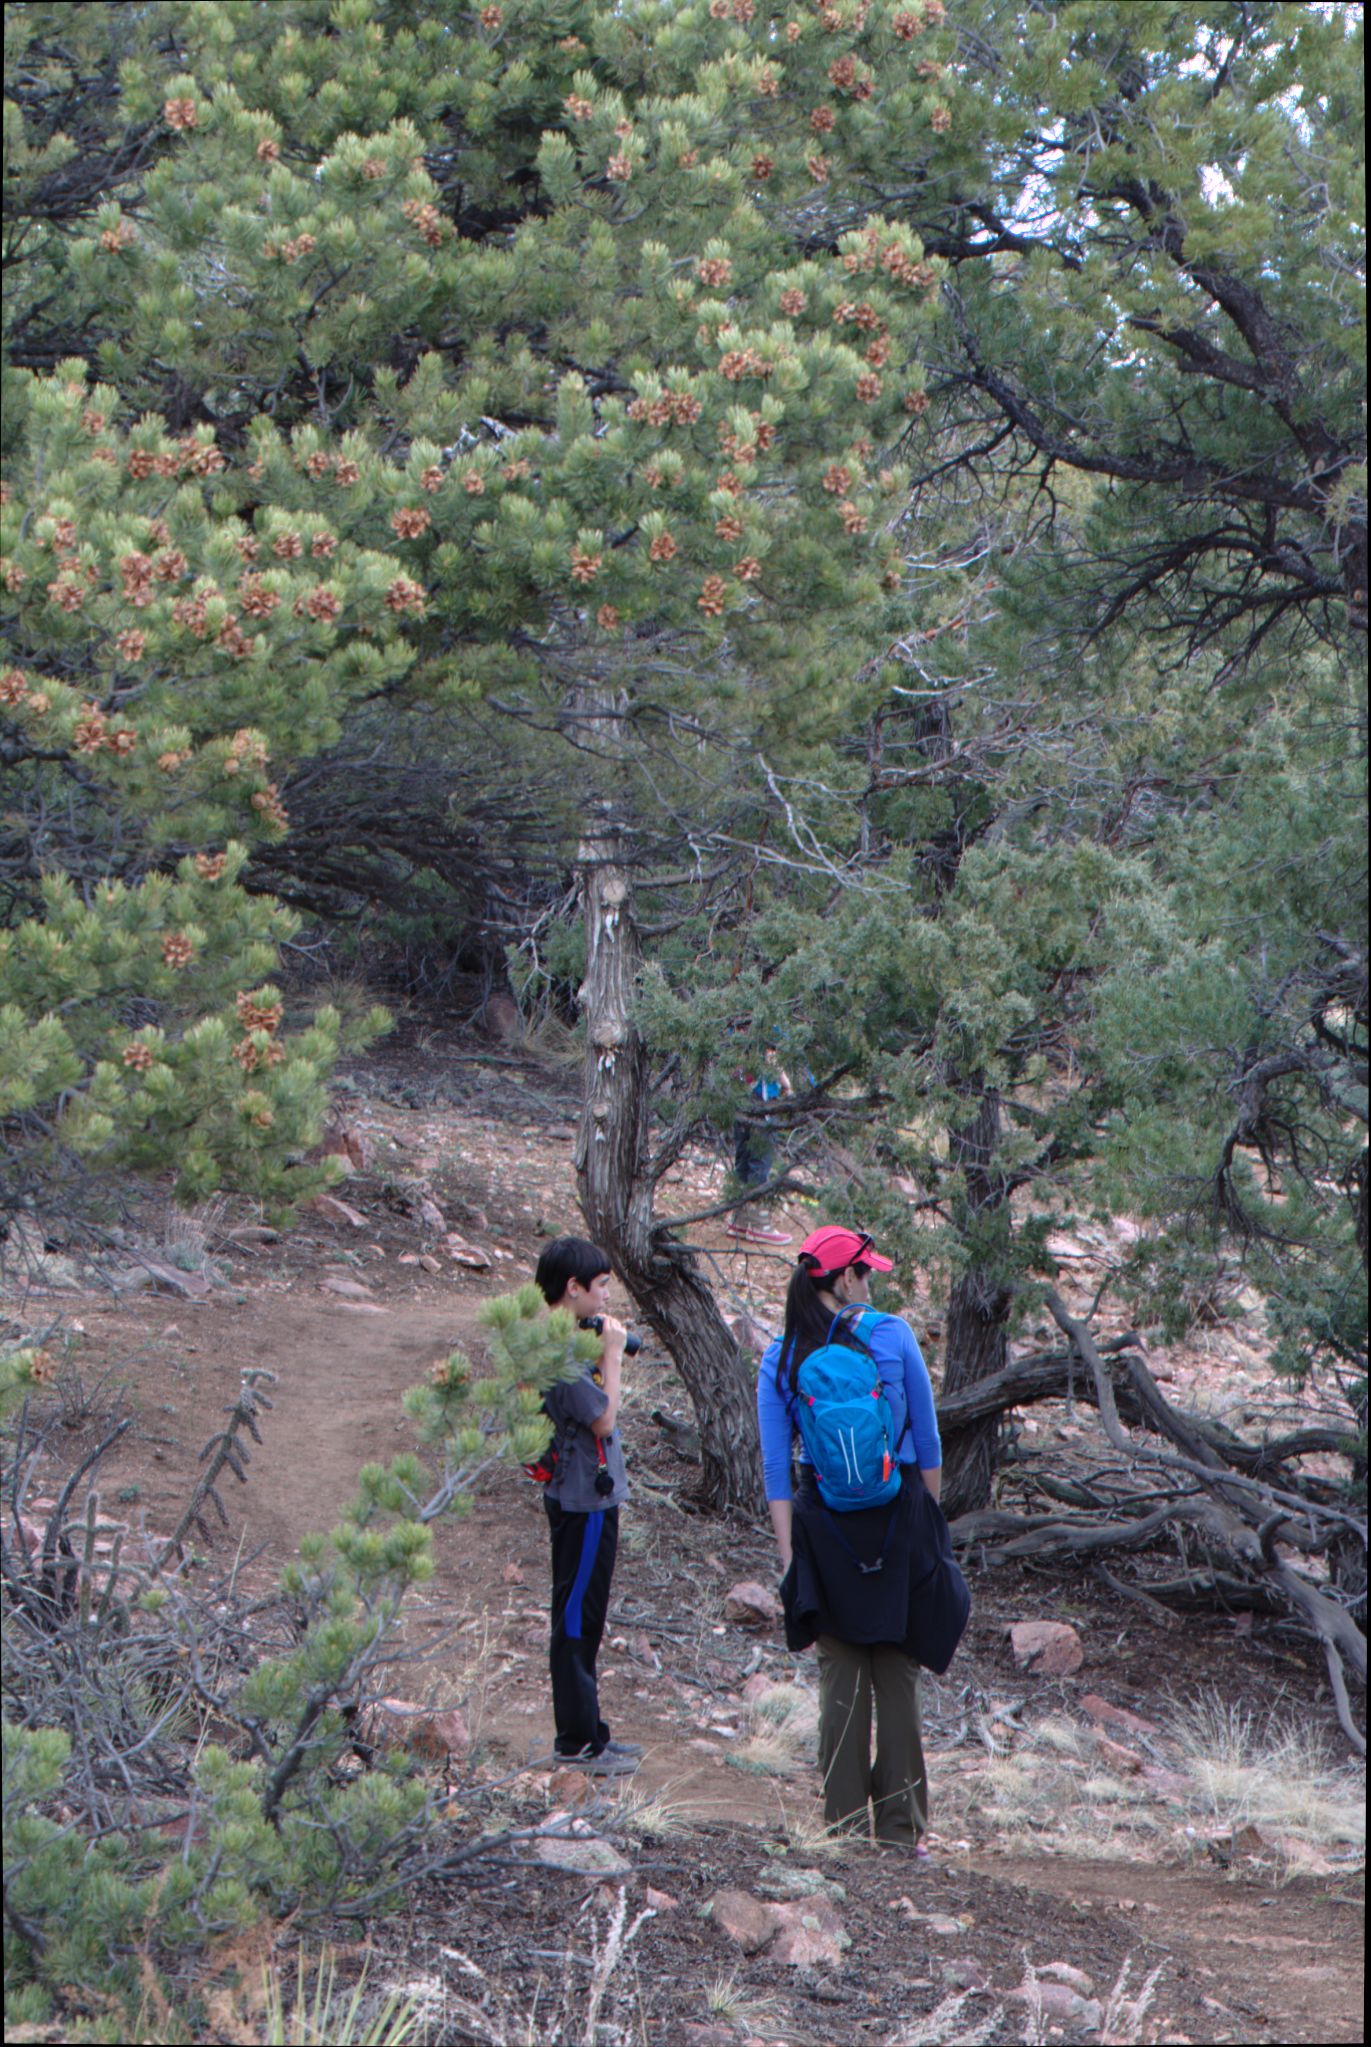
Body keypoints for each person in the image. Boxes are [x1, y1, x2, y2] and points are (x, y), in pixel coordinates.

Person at [757, 1225, 944, 1850]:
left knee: (840, 1671)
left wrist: (788, 1555)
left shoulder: (782, 1355)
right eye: (867, 1273)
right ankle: (899, 1831)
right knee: (896, 1670)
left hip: (823, 1525)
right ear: (844, 1278)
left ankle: (840, 1829)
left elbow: (776, 1467)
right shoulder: (892, 1336)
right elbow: (928, 1442)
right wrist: (928, 1529)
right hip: (897, 1518)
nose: (873, 1284)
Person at [533, 1235, 643, 1776]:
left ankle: (589, 1733)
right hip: (583, 1503)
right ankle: (577, 1742)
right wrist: (613, 1357)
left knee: (587, 1617)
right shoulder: (558, 1352)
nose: (604, 1300)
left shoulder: (567, 1340)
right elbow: (603, 1419)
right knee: (576, 1619)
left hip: (587, 1497)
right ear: (572, 1288)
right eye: (599, 1289)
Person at [726, 1048, 793, 1246]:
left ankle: (740, 1218)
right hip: (762, 1100)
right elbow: (770, 1055)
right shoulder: (768, 1022)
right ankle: (758, 1224)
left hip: (739, 1099)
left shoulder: (735, 1020)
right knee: (760, 1158)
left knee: (744, 1156)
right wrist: (786, 1084)